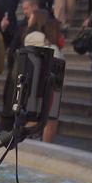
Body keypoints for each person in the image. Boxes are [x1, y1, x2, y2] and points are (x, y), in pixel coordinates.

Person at [21, 12, 65, 142]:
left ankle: (21, 138)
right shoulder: (54, 49)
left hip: (35, 88)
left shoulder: (37, 45)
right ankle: (46, 146)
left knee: (36, 119)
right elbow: (57, 73)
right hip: (50, 90)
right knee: (50, 121)